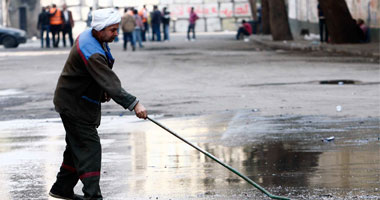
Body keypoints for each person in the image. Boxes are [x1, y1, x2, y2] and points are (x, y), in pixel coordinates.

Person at [49, 8, 147, 200]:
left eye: (117, 29)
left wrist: (101, 90)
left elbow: (95, 76)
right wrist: (135, 104)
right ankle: (93, 196)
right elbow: (110, 82)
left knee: (76, 148)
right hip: (74, 105)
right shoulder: (92, 51)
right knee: (90, 149)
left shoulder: (91, 36)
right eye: (113, 30)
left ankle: (61, 188)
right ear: (100, 29)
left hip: (75, 100)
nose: (116, 34)